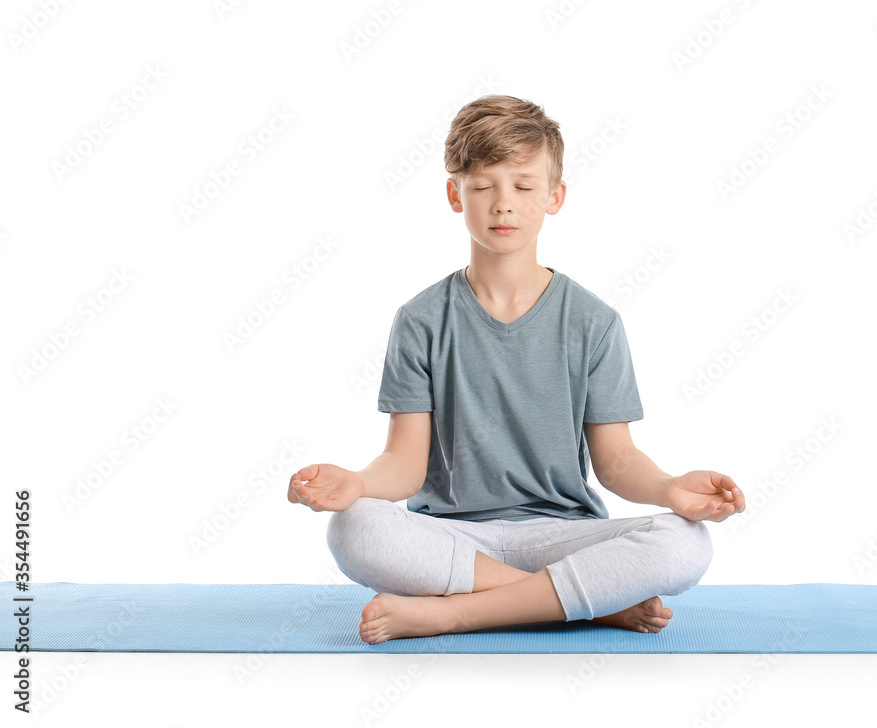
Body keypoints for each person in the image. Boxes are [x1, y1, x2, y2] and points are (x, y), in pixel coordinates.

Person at [287, 94, 745, 645]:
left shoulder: (594, 322)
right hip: (450, 539)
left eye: (524, 187)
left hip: (563, 534)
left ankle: (453, 613)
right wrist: (357, 483)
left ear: (556, 196)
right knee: (354, 526)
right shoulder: (420, 320)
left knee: (685, 543)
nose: (504, 204)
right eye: (483, 186)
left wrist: (670, 487)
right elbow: (405, 465)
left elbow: (617, 459)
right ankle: (586, 606)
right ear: (456, 195)